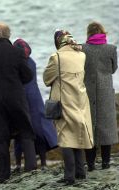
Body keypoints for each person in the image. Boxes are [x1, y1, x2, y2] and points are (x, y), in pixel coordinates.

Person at [0, 22, 36, 183]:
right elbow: (27, 76)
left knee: (0, 137)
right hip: (16, 98)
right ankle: (31, 169)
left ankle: (3, 175)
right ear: (9, 35)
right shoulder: (18, 53)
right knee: (25, 131)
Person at [43, 30, 94, 185]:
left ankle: (69, 177)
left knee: (65, 138)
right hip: (80, 100)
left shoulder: (56, 57)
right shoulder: (82, 55)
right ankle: (81, 172)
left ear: (58, 41)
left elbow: (47, 79)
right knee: (78, 135)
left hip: (64, 102)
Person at [13, 39, 58, 171]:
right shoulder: (32, 62)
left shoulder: (17, 63)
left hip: (21, 99)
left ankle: (17, 164)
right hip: (35, 99)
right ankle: (43, 163)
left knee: (19, 133)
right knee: (39, 131)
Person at [82, 22, 118, 171]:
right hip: (105, 93)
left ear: (89, 33)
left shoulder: (83, 49)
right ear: (103, 32)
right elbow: (114, 68)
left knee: (89, 129)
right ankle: (105, 163)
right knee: (106, 129)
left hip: (87, 93)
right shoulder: (111, 49)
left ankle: (90, 164)